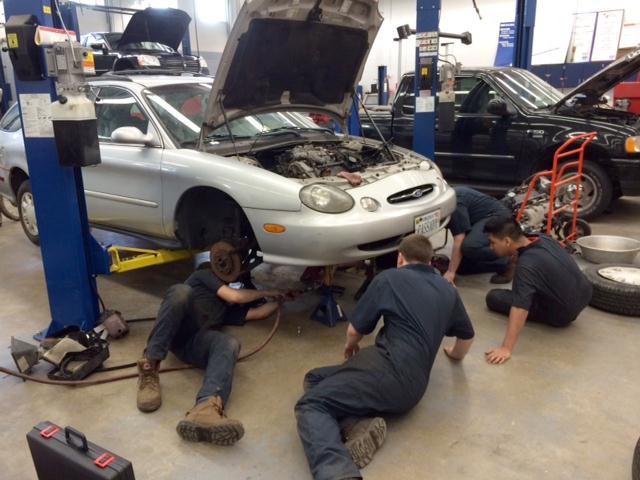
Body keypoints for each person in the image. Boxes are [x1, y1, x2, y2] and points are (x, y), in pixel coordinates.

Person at [295, 234, 475, 480]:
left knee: (311, 404)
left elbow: (354, 330)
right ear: (430, 262)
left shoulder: (389, 278)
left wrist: (350, 347)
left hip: (387, 369)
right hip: (414, 389)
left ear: (400, 258)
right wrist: (454, 355)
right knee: (315, 378)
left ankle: (338, 473)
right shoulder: (448, 289)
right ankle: (357, 424)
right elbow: (466, 338)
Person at [136, 262, 289, 445]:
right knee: (181, 292)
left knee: (229, 343)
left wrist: (282, 300)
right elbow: (236, 296)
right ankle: (149, 366)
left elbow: (257, 313)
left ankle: (206, 408)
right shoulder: (203, 275)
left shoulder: (226, 307)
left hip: (193, 344)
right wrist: (268, 292)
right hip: (178, 329)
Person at [483, 216, 593, 365]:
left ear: (507, 241)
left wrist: (506, 348)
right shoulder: (541, 238)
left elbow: (520, 307)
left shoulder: (527, 265)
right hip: (585, 294)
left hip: (563, 314)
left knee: (494, 297)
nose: (491, 247)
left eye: (493, 243)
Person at [443, 186, 514, 286]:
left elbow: (459, 238)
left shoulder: (454, 203)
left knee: (470, 246)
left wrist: (450, 272)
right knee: (461, 268)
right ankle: (496, 263)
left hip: (496, 215)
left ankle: (507, 261)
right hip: (478, 220)